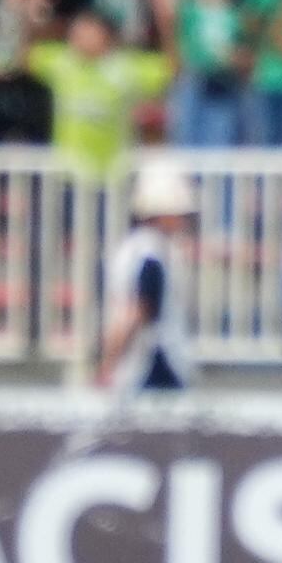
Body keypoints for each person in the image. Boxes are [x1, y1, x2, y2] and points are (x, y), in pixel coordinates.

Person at [100, 162, 201, 399]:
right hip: (154, 364)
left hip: (144, 364)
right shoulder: (151, 254)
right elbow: (137, 311)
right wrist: (109, 364)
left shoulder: (135, 248)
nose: (184, 219)